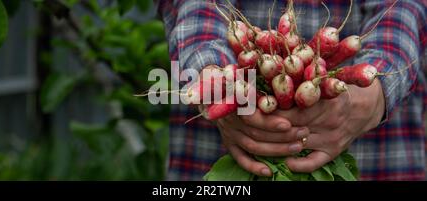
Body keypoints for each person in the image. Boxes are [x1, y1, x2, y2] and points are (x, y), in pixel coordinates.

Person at [158, 0, 427, 180]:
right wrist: (211, 74)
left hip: (381, 150)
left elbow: (404, 9)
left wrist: (373, 95)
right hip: (215, 141)